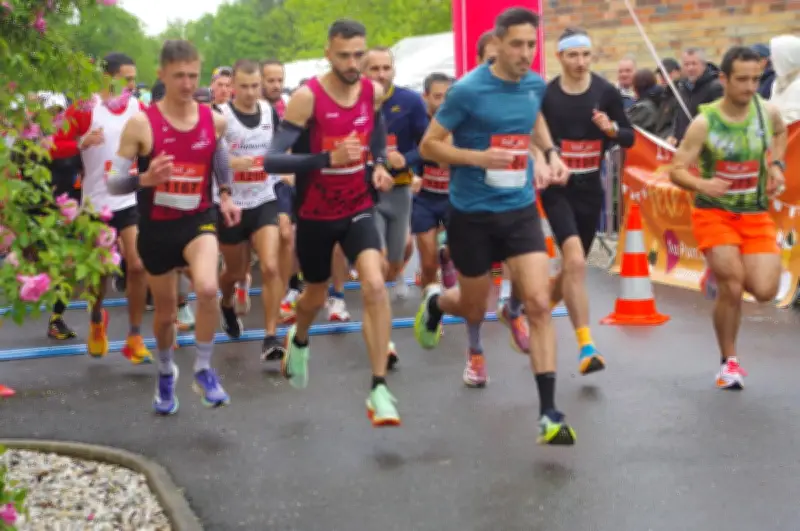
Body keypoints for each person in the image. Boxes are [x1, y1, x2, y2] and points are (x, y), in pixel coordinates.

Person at [415, 7, 576, 445]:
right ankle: (435, 304)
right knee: (474, 307)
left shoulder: (536, 85)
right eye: (518, 45)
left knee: (540, 303)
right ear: (498, 44)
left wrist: (551, 152)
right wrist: (479, 158)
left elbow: (533, 119)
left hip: (520, 209)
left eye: (532, 45)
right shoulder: (467, 91)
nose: (526, 53)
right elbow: (429, 145)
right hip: (471, 214)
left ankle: (549, 412)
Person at [262, 19, 398, 427]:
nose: (353, 63)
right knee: (315, 297)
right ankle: (299, 337)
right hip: (316, 214)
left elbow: (375, 132)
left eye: (359, 54)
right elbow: (272, 158)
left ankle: (378, 388)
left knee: (374, 284)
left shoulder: (372, 91)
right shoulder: (308, 98)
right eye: (344, 55)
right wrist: (325, 160)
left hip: (357, 205)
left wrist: (375, 164)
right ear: (328, 53)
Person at [107, 40, 242, 415]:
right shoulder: (141, 124)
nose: (186, 83)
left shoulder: (213, 120)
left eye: (193, 76)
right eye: (179, 75)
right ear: (163, 75)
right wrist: (144, 179)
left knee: (209, 287)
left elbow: (219, 159)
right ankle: (166, 374)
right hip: (157, 229)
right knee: (165, 315)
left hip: (198, 220)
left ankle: (203, 368)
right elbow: (114, 184)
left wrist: (227, 194)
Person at [669, 46, 787, 389]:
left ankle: (719, 272)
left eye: (755, 79)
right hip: (714, 213)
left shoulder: (767, 113)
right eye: (742, 80)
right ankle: (729, 362)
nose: (750, 88)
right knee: (732, 286)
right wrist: (703, 182)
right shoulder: (705, 123)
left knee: (765, 291)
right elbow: (676, 170)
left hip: (754, 212)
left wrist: (776, 165)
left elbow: (780, 133)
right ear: (723, 79)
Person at [539, 27, 635, 375]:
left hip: (590, 188)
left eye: (585, 55)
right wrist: (545, 158)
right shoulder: (547, 95)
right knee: (576, 262)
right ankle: (586, 347)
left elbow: (629, 138)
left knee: (569, 270)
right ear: (560, 57)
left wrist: (610, 129)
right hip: (556, 188)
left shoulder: (605, 92)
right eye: (573, 55)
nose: (580, 62)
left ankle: (531, 312)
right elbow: (534, 135)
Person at [56, 52, 153, 363]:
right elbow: (52, 145)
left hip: (127, 198)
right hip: (97, 203)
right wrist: (79, 143)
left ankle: (135, 336)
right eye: (126, 79)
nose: (131, 85)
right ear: (107, 77)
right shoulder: (86, 108)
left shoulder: (139, 108)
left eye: (133, 79)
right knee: (100, 274)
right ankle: (97, 319)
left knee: (137, 265)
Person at [362, 45, 429, 368]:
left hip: (400, 189)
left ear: (394, 69)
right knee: (375, 265)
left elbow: (428, 144)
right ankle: (382, 338)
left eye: (385, 68)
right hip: (364, 192)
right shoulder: (352, 103)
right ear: (363, 72)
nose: (380, 74)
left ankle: (379, 306)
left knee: (398, 255)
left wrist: (408, 160)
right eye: (373, 69)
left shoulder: (411, 101)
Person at [215, 59, 286, 362]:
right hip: (231, 205)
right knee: (234, 271)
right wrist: (232, 163)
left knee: (270, 267)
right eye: (243, 86)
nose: (249, 92)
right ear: (232, 87)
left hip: (263, 199)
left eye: (254, 86)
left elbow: (280, 151)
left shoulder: (270, 112)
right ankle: (226, 304)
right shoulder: (220, 116)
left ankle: (271, 337)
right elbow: (208, 159)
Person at [411, 72, 456, 290]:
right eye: (438, 97)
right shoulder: (418, 124)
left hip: (454, 197)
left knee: (458, 250)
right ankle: (429, 315)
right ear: (425, 97)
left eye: (448, 97)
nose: (443, 103)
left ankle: (446, 257)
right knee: (428, 264)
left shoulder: (461, 122)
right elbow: (405, 152)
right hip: (424, 198)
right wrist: (411, 175)